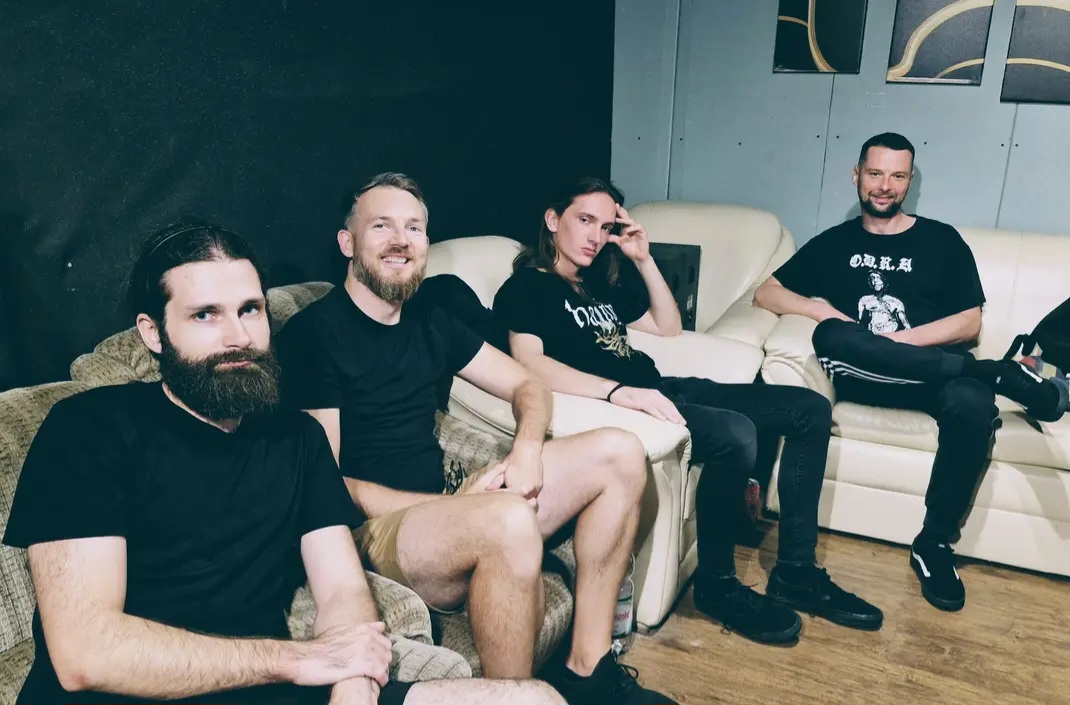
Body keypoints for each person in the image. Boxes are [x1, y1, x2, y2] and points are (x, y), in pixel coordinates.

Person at [2, 221, 565, 705]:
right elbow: (85, 652)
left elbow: (341, 589)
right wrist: (303, 660)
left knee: (532, 698)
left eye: (250, 310)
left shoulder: (297, 438)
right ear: (154, 332)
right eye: (205, 315)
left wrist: (353, 682)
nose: (238, 337)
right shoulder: (87, 428)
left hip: (270, 692)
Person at [275, 173, 675, 705]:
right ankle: (515, 697)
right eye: (382, 226)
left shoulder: (428, 318)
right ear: (348, 242)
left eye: (414, 228)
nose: (401, 240)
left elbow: (527, 384)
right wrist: (453, 508)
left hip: (450, 508)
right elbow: (325, 486)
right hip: (372, 533)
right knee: (505, 519)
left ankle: (588, 668)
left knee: (620, 452)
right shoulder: (314, 336)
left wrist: (527, 448)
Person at [491, 177, 882, 647]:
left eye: (606, 226)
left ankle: (796, 572)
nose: (595, 236)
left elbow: (668, 325)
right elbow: (529, 364)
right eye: (585, 220)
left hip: (663, 388)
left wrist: (643, 259)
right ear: (553, 220)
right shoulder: (528, 287)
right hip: (626, 405)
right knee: (736, 434)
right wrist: (616, 392)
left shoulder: (595, 282)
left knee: (810, 409)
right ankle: (717, 586)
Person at [753, 132, 1068, 612]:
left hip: (931, 377)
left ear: (909, 180)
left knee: (972, 402)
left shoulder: (942, 240)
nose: (885, 186)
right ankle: (992, 373)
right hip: (862, 373)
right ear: (856, 175)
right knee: (831, 336)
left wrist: (895, 344)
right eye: (875, 173)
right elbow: (766, 293)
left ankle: (934, 544)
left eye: (897, 176)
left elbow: (969, 322)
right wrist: (823, 312)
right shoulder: (834, 243)